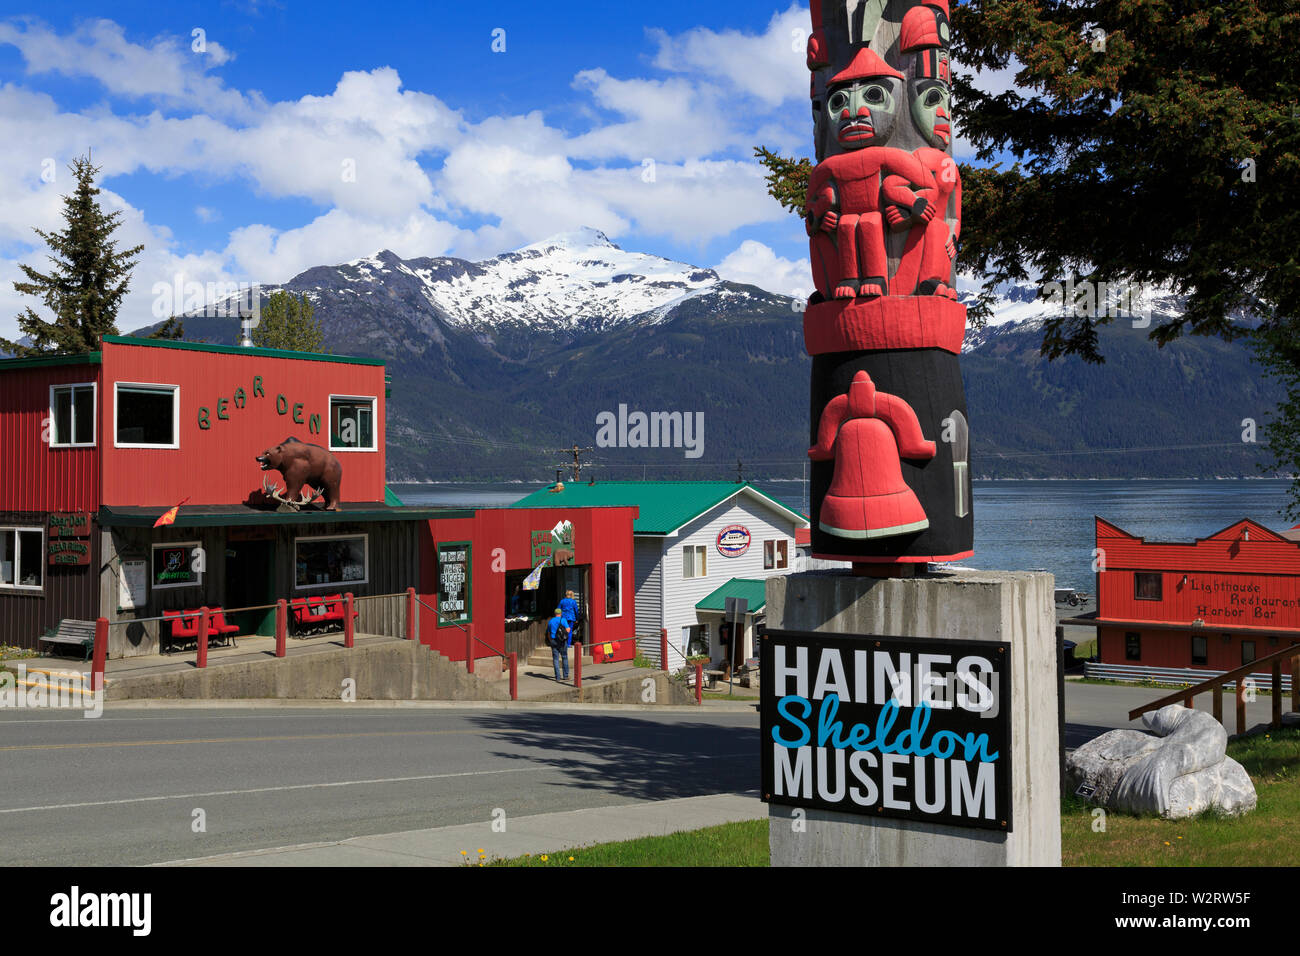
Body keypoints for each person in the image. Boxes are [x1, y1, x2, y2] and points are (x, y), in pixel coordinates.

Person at [547, 608, 570, 682]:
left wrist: (551, 640)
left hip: (553, 640)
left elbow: (548, 633)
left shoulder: (551, 621)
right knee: (564, 657)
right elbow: (568, 630)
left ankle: (558, 677)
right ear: (561, 613)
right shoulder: (563, 620)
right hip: (562, 641)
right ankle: (565, 676)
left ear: (555, 613)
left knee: (555, 659)